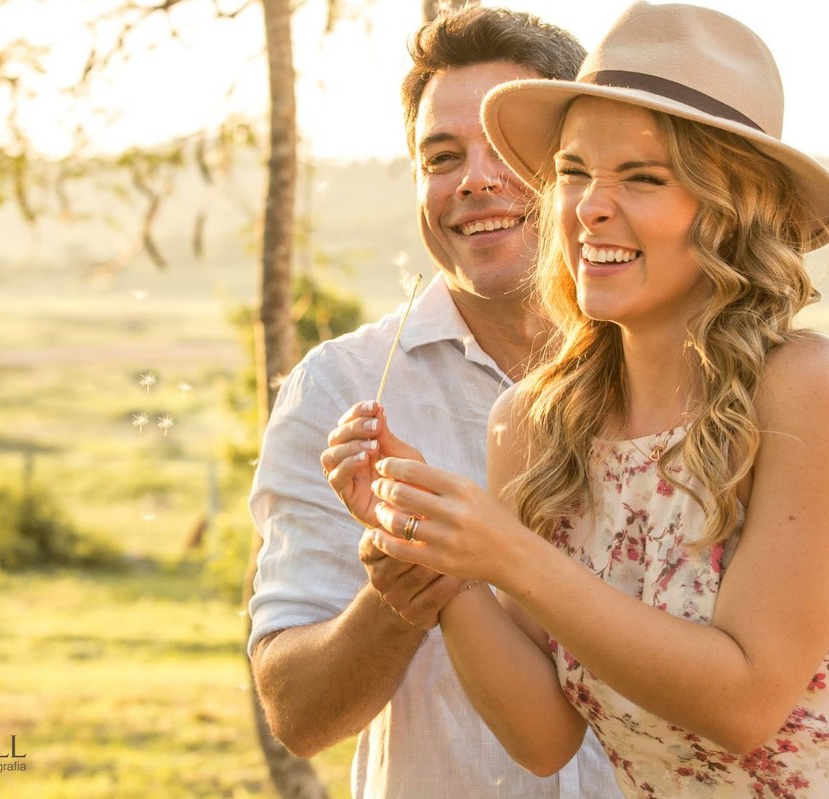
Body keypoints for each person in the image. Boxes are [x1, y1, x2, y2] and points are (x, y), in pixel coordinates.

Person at [328, 3, 829, 796]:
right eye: (573, 172)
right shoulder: (531, 426)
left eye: (642, 177)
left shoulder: (809, 387)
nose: (589, 207)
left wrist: (506, 552)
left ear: (730, 209)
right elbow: (543, 736)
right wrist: (444, 564)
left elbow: (746, 703)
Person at [248, 8, 621, 798]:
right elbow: (296, 713)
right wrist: (403, 590)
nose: (473, 180)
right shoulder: (343, 388)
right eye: (441, 157)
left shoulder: (694, 376)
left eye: (507, 149)